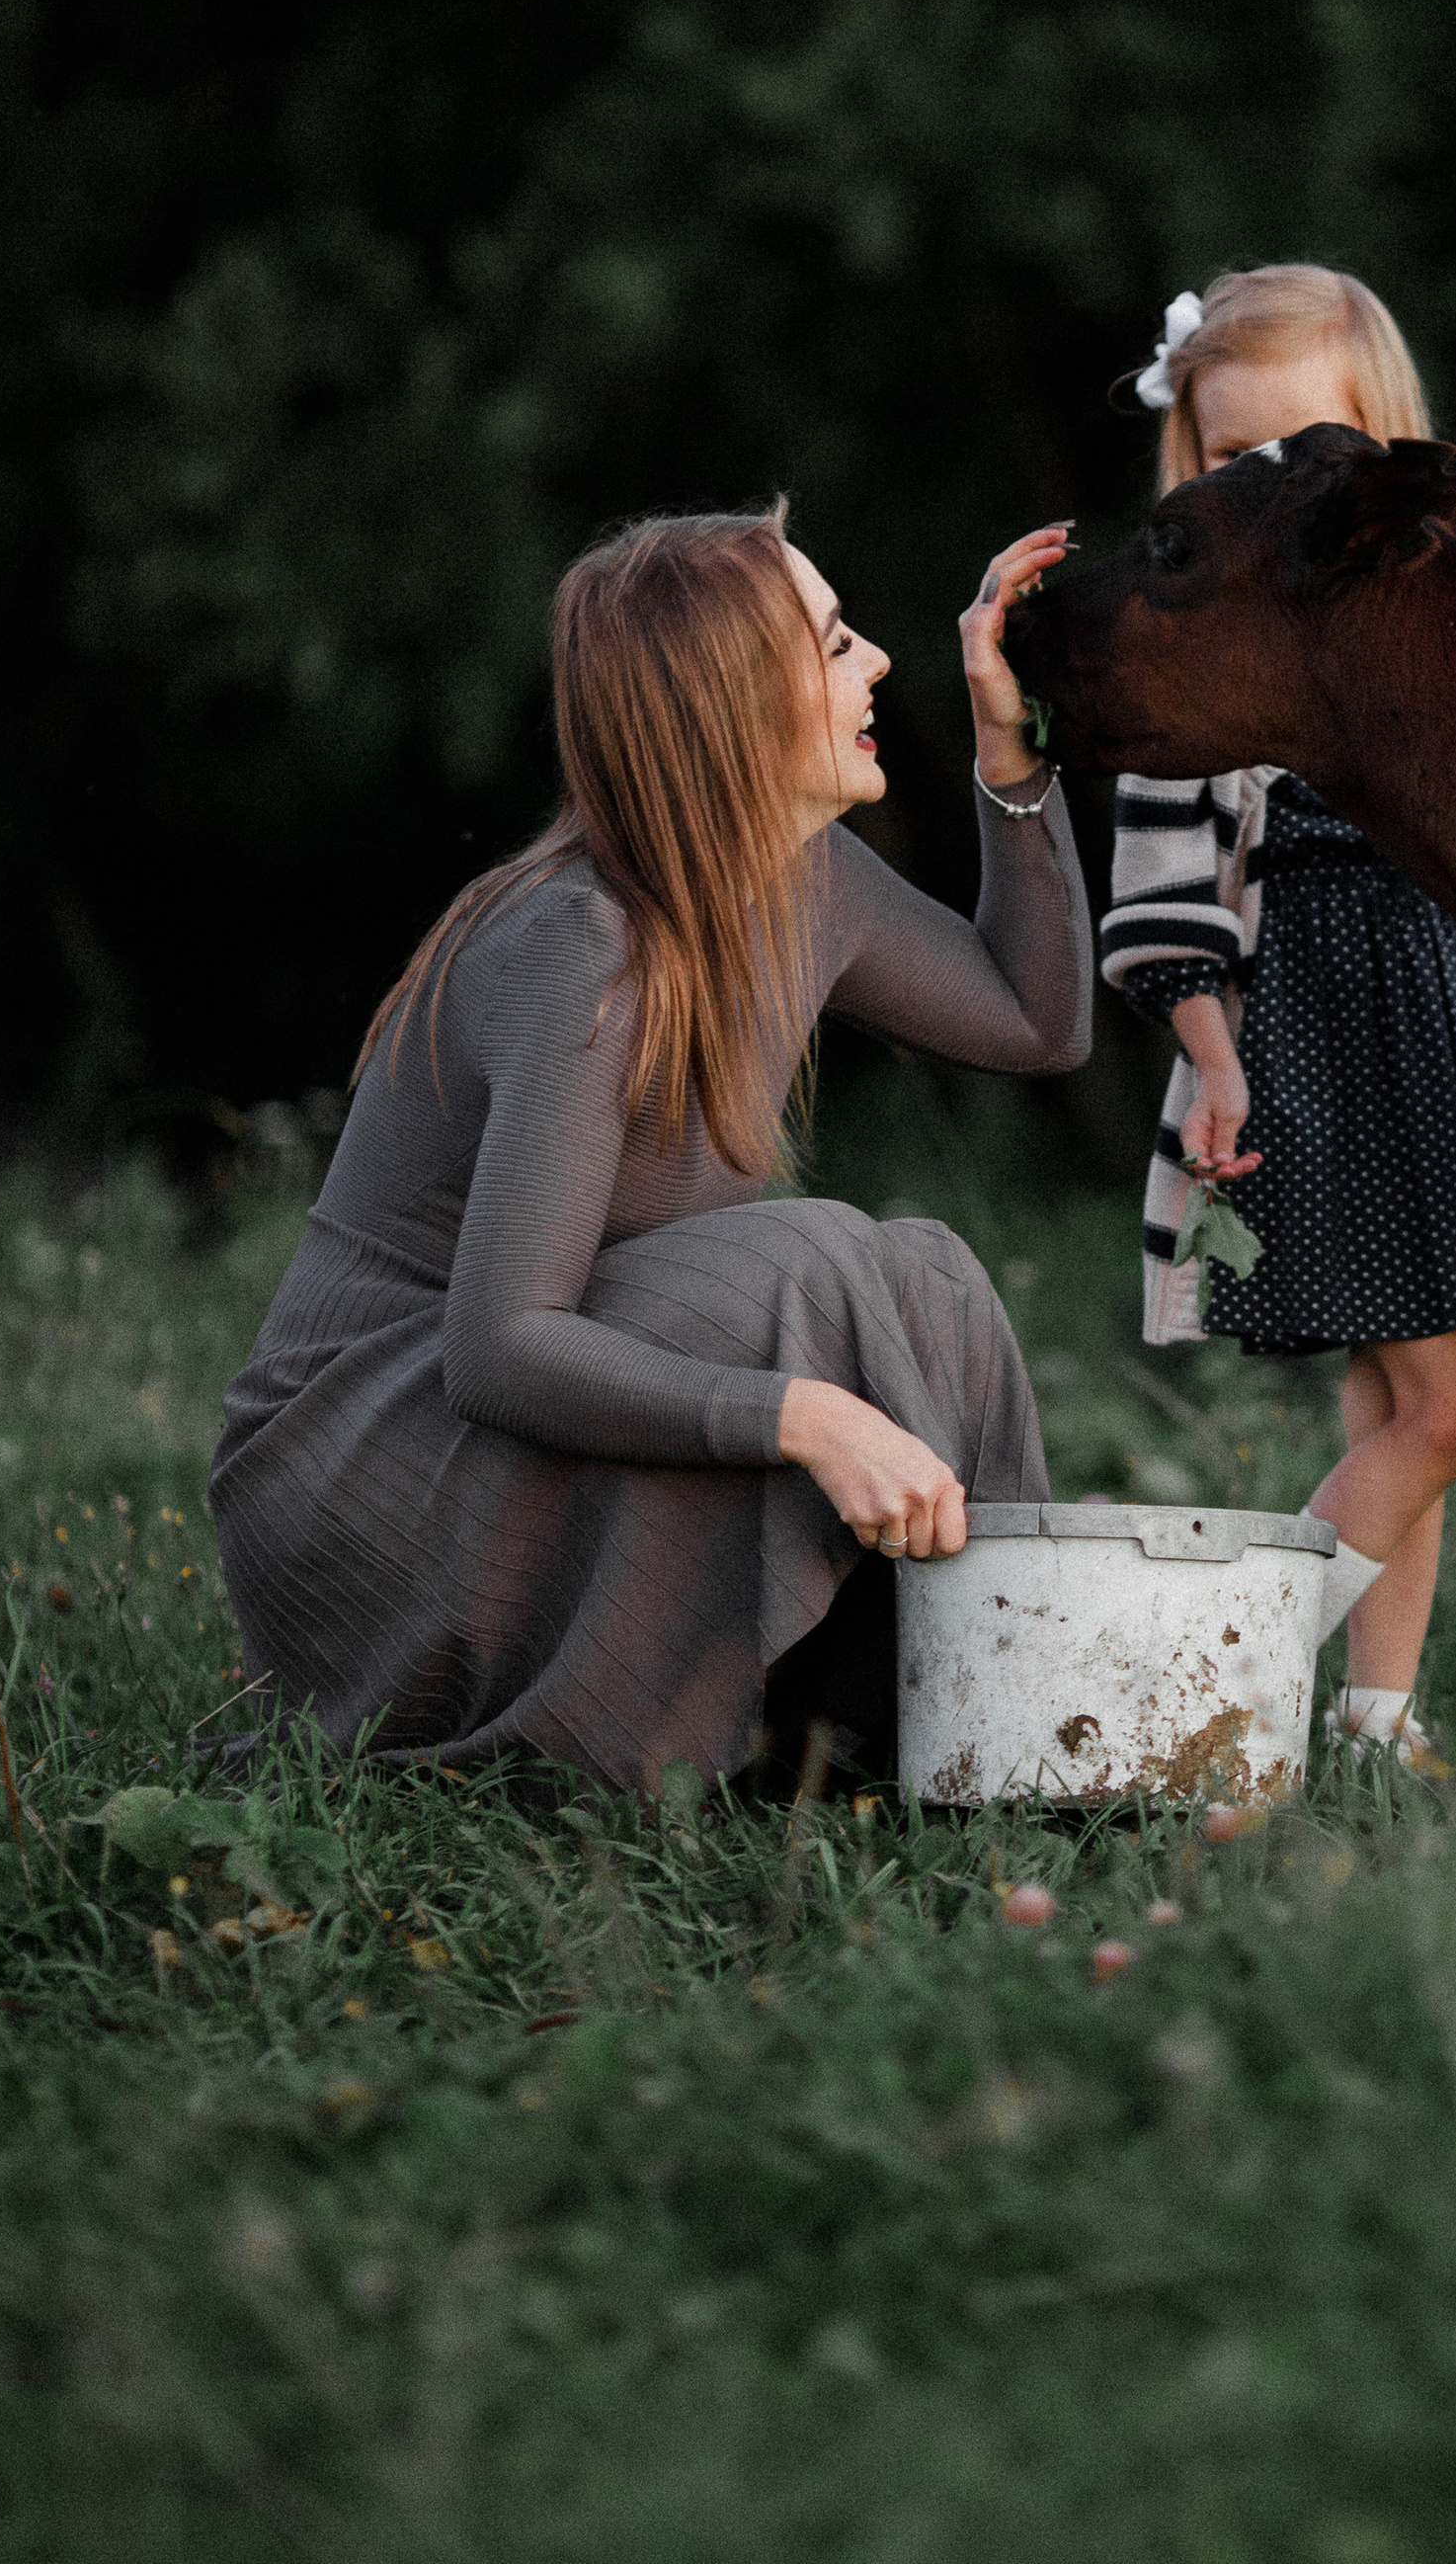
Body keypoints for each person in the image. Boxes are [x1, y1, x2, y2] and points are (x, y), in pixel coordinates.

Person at [209, 502, 1090, 1799]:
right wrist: (805, 1416)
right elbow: (500, 1346)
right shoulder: (582, 944)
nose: (881, 664)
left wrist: (1014, 754)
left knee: (930, 1280)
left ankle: (998, 1721)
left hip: (504, 1435)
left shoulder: (807, 880)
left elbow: (1038, 1023)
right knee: (807, 1262)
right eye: (836, 641)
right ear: (734, 701)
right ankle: (794, 1728)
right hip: (362, 1476)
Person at [1103, 268, 1456, 1766]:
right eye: (1234, 456)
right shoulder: (1192, 633)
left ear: (1385, 436)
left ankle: (1372, 1731)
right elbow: (1165, 857)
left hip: (1438, 1028)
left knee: (1404, 1398)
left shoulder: (1452, 606)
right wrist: (1211, 1059)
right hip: (1306, 1034)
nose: (1273, 483)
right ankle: (1194, 1685)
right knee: (1451, 1404)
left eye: (1306, 446)